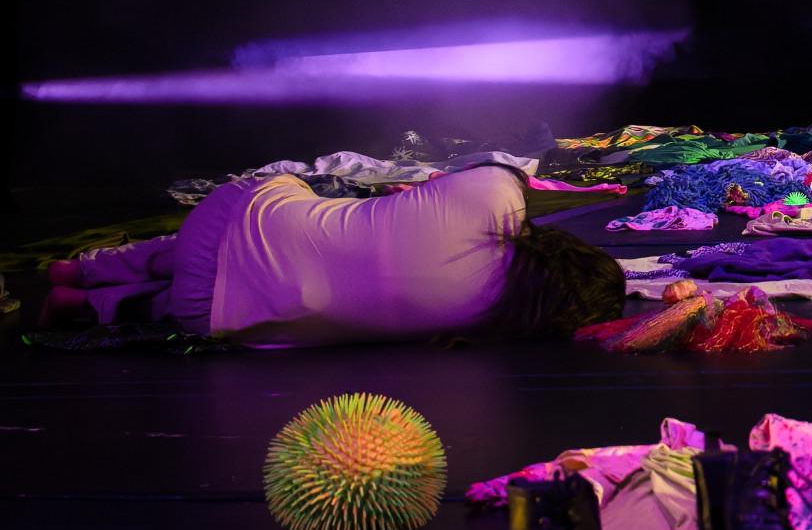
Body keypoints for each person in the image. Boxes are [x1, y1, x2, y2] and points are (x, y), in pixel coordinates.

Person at [40, 159, 626, 345]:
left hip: (222, 224)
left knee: (257, 221)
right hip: (208, 316)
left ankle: (80, 270)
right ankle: (86, 308)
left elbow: (449, 182)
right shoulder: (486, 326)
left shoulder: (497, 193)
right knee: (207, 294)